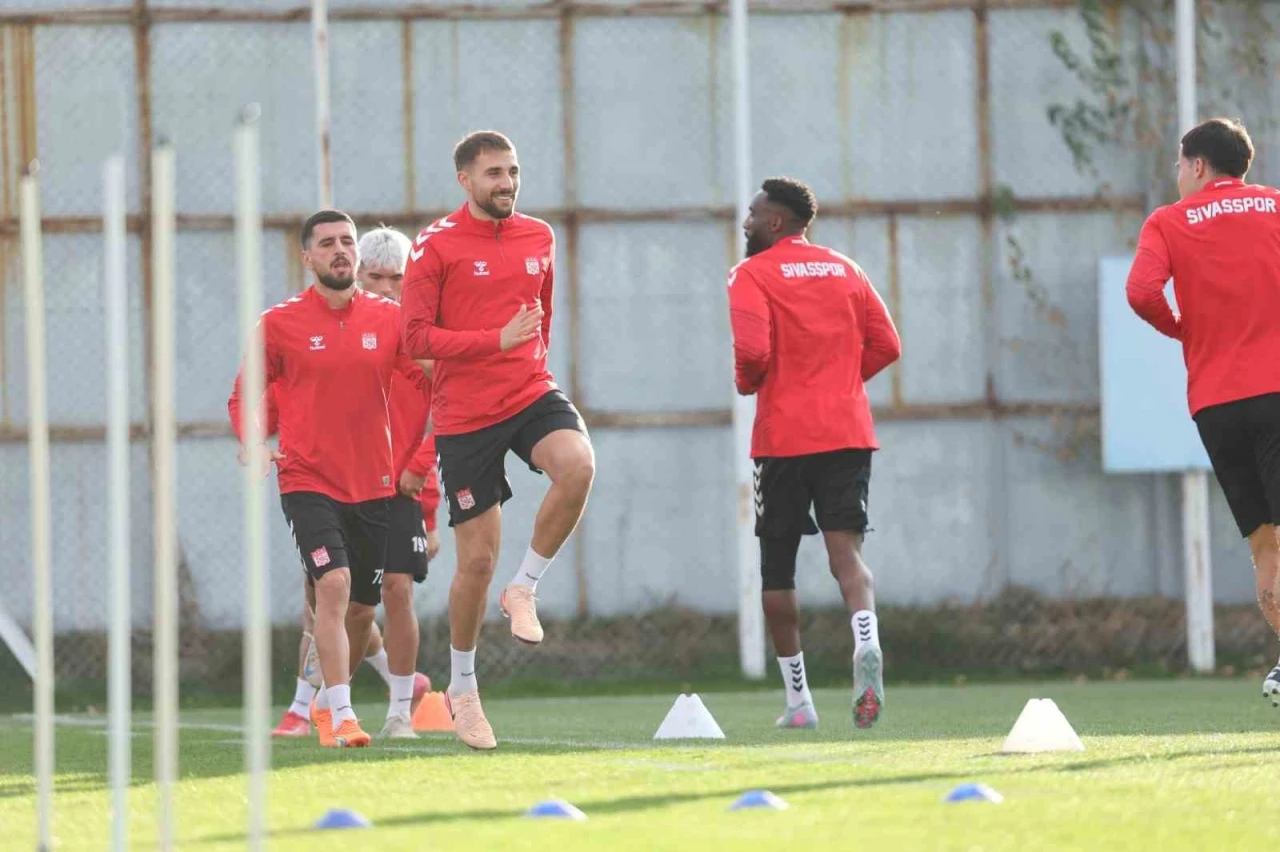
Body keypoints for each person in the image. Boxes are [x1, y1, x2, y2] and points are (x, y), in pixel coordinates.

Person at [401, 130, 595, 750]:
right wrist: (494, 341)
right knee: (477, 563)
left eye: (512, 171)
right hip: (465, 415)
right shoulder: (434, 246)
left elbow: (542, 316)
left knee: (578, 465)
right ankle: (462, 688)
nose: (507, 183)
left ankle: (525, 587)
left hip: (528, 391)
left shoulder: (540, 236)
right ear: (465, 180)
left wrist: (524, 358)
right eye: (493, 173)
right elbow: (415, 339)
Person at [229, 208, 422, 748]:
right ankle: (342, 716)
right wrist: (254, 443)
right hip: (307, 479)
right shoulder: (279, 324)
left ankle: (320, 707)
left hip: (374, 486)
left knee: (362, 608)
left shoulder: (389, 320)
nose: (340, 250)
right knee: (332, 586)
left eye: (347, 241)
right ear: (307, 257)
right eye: (328, 243)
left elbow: (429, 379)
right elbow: (245, 398)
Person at [727, 176, 901, 730]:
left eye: (753, 214)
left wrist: (748, 382)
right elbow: (887, 345)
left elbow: (752, 352)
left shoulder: (750, 274)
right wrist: (839, 382)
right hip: (848, 430)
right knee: (847, 556)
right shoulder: (847, 269)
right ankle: (865, 640)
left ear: (775, 221)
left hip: (783, 438)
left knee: (777, 569)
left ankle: (799, 702)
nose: (747, 223)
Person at [1126, 117, 1280, 705]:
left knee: (1264, 545)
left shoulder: (1167, 221)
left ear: (1196, 165)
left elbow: (1142, 292)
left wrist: (1182, 331)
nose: (1177, 175)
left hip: (1215, 404)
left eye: (1178, 165)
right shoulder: (1274, 206)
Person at [356, 225, 442, 737]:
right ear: (357, 276)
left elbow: (446, 415)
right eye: (376, 277)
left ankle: (398, 713)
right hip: (339, 485)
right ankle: (323, 705)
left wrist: (429, 510)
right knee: (338, 602)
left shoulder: (422, 338)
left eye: (397, 278)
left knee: (398, 590)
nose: (387, 288)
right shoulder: (335, 332)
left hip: (399, 489)